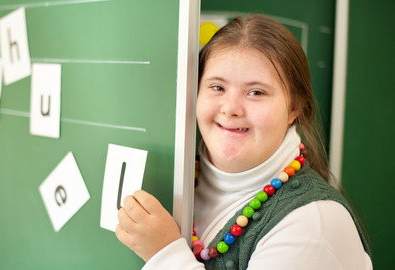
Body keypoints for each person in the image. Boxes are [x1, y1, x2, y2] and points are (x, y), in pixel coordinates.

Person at [115, 14, 372, 270]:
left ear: (294, 108)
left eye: (256, 92)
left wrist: (165, 255)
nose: (231, 108)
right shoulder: (175, 179)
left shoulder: (312, 227)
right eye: (217, 87)